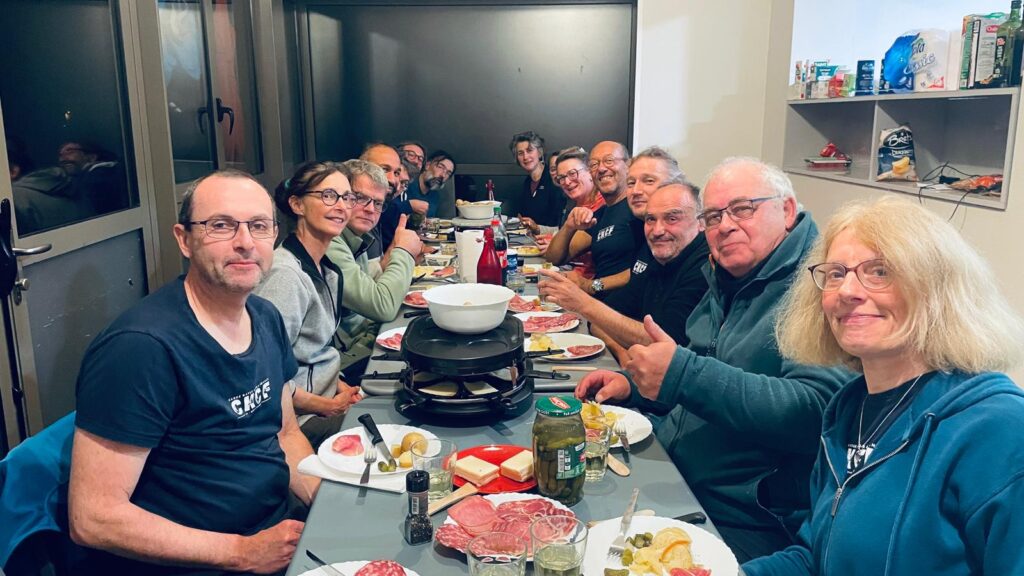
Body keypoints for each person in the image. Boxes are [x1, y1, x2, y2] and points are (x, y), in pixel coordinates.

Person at [575, 157, 849, 561]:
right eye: (714, 216)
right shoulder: (726, 274)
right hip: (676, 470)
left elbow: (817, 412)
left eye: (743, 209)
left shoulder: (818, 287)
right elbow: (700, 363)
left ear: (787, 210)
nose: (725, 226)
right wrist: (634, 384)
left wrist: (682, 374)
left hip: (742, 517)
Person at [743, 196, 1024, 576]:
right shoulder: (848, 410)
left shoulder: (1001, 429)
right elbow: (814, 557)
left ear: (936, 290)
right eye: (836, 273)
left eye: (879, 272)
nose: (847, 291)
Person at [69, 169, 317, 575]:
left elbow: (285, 433)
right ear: (184, 239)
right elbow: (93, 517)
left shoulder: (265, 316)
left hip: (275, 531)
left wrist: (324, 498)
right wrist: (242, 552)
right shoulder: (141, 347)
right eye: (221, 225)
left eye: (259, 226)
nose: (245, 242)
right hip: (204, 561)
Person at [254, 161, 363, 448]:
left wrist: (340, 386)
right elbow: (265, 373)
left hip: (325, 398)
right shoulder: (285, 275)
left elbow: (316, 350)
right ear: (297, 205)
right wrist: (328, 406)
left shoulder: (324, 268)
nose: (341, 206)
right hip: (297, 420)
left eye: (347, 197)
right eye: (328, 195)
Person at [539, 181, 709, 363]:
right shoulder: (655, 257)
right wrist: (620, 352)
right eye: (651, 219)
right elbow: (602, 318)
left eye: (672, 219)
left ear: (701, 222)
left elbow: (665, 342)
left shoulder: (705, 265)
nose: (658, 230)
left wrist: (583, 302)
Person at [326, 159, 423, 377]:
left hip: (360, 342)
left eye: (378, 203)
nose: (370, 209)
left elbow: (369, 283)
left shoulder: (356, 237)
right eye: (360, 198)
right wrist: (404, 251)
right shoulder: (330, 242)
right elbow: (382, 306)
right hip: (341, 363)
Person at [546, 141, 639, 296]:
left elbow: (645, 268)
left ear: (628, 165)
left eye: (609, 160)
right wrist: (569, 226)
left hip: (623, 307)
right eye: (594, 164)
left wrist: (591, 285)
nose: (601, 169)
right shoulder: (601, 214)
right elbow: (554, 258)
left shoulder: (638, 208)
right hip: (596, 303)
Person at [541, 147, 604, 279]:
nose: (567, 182)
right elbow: (553, 257)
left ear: (590, 172)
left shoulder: (601, 204)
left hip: (589, 284)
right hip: (573, 275)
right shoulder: (574, 204)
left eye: (572, 173)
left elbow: (557, 256)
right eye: (561, 178)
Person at [510, 131, 564, 230]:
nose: (525, 157)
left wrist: (537, 228)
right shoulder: (527, 183)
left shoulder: (554, 179)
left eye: (529, 150)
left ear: (539, 152)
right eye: (520, 153)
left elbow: (559, 225)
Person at [361, 143, 405, 259]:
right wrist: (402, 250)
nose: (392, 180)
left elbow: (374, 268)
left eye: (396, 173)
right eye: (384, 169)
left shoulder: (379, 210)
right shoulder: (354, 216)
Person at [395, 150, 456, 220]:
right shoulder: (405, 184)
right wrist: (408, 206)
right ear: (427, 165)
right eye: (440, 167)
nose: (443, 175)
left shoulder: (435, 196)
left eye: (448, 173)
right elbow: (387, 211)